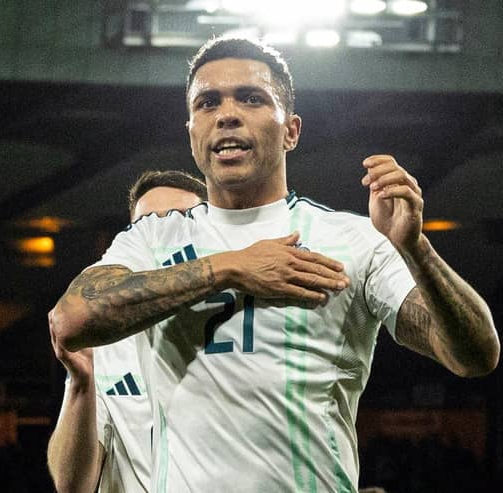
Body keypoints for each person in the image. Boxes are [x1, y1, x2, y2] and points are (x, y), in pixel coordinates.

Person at [49, 37, 499, 492]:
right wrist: (231, 268)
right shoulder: (152, 238)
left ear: (292, 131)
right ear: (192, 134)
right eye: (207, 103)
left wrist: (415, 249)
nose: (226, 113)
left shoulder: (353, 240)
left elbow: (476, 355)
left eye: (251, 98)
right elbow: (72, 320)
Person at [47, 170, 207, 493]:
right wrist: (82, 384)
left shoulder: (240, 332)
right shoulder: (102, 347)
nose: (160, 237)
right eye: (146, 225)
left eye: (178, 221)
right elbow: (72, 486)